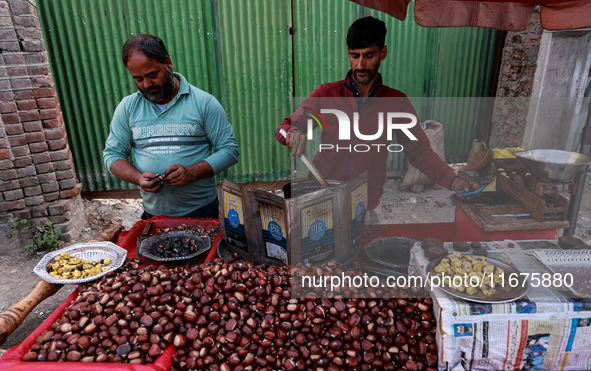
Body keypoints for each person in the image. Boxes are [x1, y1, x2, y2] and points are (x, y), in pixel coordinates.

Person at [275, 17, 474, 222]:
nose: (360, 65)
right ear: (348, 54)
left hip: (366, 208)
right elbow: (283, 128)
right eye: (354, 56)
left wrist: (452, 180)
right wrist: (292, 133)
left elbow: (420, 152)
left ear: (383, 53)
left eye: (369, 55)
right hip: (322, 202)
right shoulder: (327, 95)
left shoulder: (397, 103)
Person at [103, 34, 238, 219]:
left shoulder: (204, 103)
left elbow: (230, 151)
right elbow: (112, 155)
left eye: (152, 75)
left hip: (203, 212)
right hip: (153, 215)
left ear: (168, 63)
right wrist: (138, 178)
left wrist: (192, 172)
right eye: (138, 79)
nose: (147, 84)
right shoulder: (128, 108)